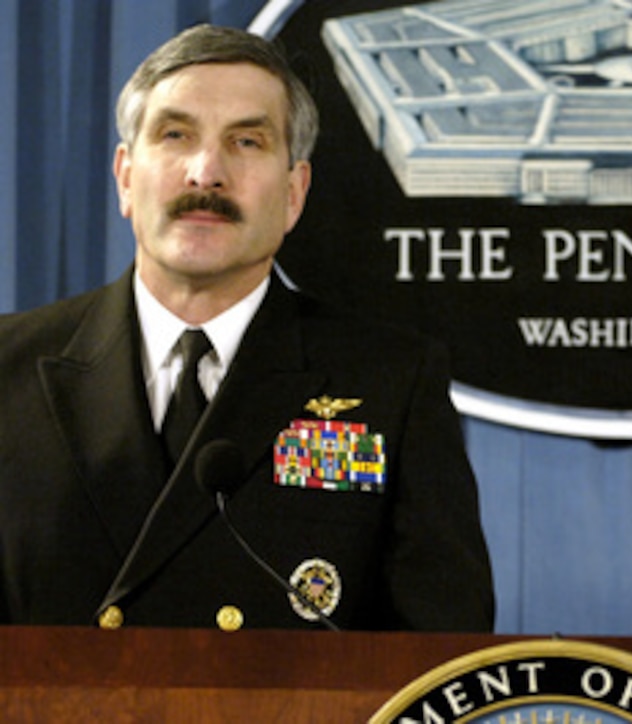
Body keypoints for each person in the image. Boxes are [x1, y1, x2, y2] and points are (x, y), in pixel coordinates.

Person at [0, 25, 494, 631]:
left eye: (247, 142)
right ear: (126, 177)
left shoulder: (391, 381)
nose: (206, 173)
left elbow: (438, 657)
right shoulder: (10, 368)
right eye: (176, 134)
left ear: (294, 194)